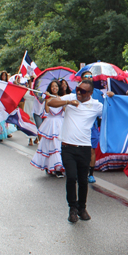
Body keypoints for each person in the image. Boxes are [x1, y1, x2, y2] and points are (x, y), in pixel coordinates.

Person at [47, 79, 108, 223]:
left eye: (83, 91)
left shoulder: (96, 105)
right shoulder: (71, 97)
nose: (79, 93)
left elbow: (112, 111)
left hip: (84, 148)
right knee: (71, 177)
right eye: (78, 89)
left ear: (90, 93)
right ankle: (72, 208)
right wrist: (68, 103)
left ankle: (82, 208)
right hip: (68, 147)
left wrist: (113, 96)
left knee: (83, 180)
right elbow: (51, 103)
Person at [30, 80, 65, 177]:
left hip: (60, 124)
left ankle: (59, 167)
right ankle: (50, 166)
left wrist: (64, 102)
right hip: (50, 124)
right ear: (50, 88)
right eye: (53, 86)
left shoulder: (62, 98)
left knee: (59, 145)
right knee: (51, 145)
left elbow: (65, 111)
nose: (55, 88)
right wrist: (47, 98)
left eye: (56, 86)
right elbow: (47, 110)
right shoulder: (48, 98)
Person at [78, 71, 105, 184]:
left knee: (91, 150)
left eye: (90, 76)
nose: (89, 78)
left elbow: (105, 109)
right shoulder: (76, 92)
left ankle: (90, 174)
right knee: (80, 150)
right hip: (79, 126)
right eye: (86, 76)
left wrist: (110, 96)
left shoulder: (98, 93)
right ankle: (80, 171)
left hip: (93, 126)